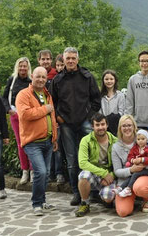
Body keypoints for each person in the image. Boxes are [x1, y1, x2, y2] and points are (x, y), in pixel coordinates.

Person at [50, 47, 102, 206]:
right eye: (68, 58)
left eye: (73, 58)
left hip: (85, 123)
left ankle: (93, 191)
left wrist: (89, 117)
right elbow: (52, 102)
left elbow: (96, 100)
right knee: (72, 160)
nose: (71, 61)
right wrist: (58, 118)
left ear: (77, 59)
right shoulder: (57, 80)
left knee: (92, 158)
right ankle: (76, 193)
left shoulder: (87, 77)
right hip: (66, 125)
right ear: (63, 60)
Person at [16, 67, 59, 216]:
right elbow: (25, 114)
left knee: (45, 173)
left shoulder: (47, 94)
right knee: (40, 171)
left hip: (47, 141)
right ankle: (36, 204)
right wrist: (45, 109)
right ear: (32, 77)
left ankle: (43, 201)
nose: (41, 80)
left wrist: (54, 137)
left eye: (43, 77)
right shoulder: (23, 94)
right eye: (38, 76)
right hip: (32, 142)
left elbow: (51, 118)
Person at [112, 115, 148, 216]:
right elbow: (117, 171)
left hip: (143, 176)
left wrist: (143, 164)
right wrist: (131, 170)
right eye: (124, 126)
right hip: (126, 181)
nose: (127, 128)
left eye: (129, 125)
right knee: (123, 212)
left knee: (140, 188)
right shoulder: (116, 147)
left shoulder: (143, 140)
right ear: (120, 128)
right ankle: (128, 195)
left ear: (134, 127)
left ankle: (146, 199)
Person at [74, 113, 118, 217]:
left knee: (108, 198)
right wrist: (103, 174)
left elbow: (120, 164)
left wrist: (111, 175)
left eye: (102, 124)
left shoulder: (115, 141)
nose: (100, 127)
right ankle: (85, 203)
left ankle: (103, 198)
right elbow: (82, 163)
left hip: (109, 174)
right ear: (92, 126)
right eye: (97, 125)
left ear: (107, 125)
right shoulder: (86, 140)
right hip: (94, 173)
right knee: (83, 176)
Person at [2, 57, 33, 184]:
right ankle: (24, 171)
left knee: (31, 142)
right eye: (20, 66)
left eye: (25, 66)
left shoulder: (32, 80)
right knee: (21, 144)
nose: (22, 68)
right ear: (17, 67)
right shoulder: (12, 80)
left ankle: (33, 171)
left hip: (29, 115)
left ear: (28, 67)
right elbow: (4, 98)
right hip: (15, 114)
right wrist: (9, 110)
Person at [38, 49, 64, 184]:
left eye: (48, 59)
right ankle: (48, 173)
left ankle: (58, 172)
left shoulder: (56, 75)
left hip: (55, 116)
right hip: (41, 117)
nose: (45, 61)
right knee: (45, 147)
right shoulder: (36, 76)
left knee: (56, 146)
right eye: (43, 59)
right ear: (39, 61)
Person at [115, 129, 148, 197]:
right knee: (131, 176)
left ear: (147, 139)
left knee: (135, 174)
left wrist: (142, 159)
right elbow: (130, 156)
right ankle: (121, 188)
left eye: (143, 139)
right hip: (138, 169)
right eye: (138, 139)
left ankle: (128, 189)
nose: (140, 141)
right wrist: (133, 160)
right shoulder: (136, 148)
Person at [100, 69, 126, 136]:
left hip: (117, 126)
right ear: (103, 80)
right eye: (106, 79)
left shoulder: (120, 95)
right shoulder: (99, 96)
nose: (109, 81)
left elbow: (122, 112)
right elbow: (99, 112)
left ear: (115, 80)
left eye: (111, 79)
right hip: (103, 126)